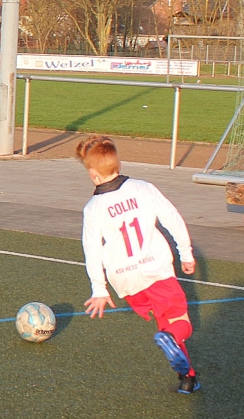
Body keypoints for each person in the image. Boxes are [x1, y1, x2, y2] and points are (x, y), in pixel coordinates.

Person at [77, 135, 200, 394]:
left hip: (125, 280)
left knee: (165, 323)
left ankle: (187, 377)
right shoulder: (143, 188)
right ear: (118, 165)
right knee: (180, 323)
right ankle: (173, 340)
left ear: (93, 174)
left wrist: (99, 288)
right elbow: (172, 219)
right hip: (156, 269)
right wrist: (185, 253)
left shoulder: (93, 207)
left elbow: (92, 249)